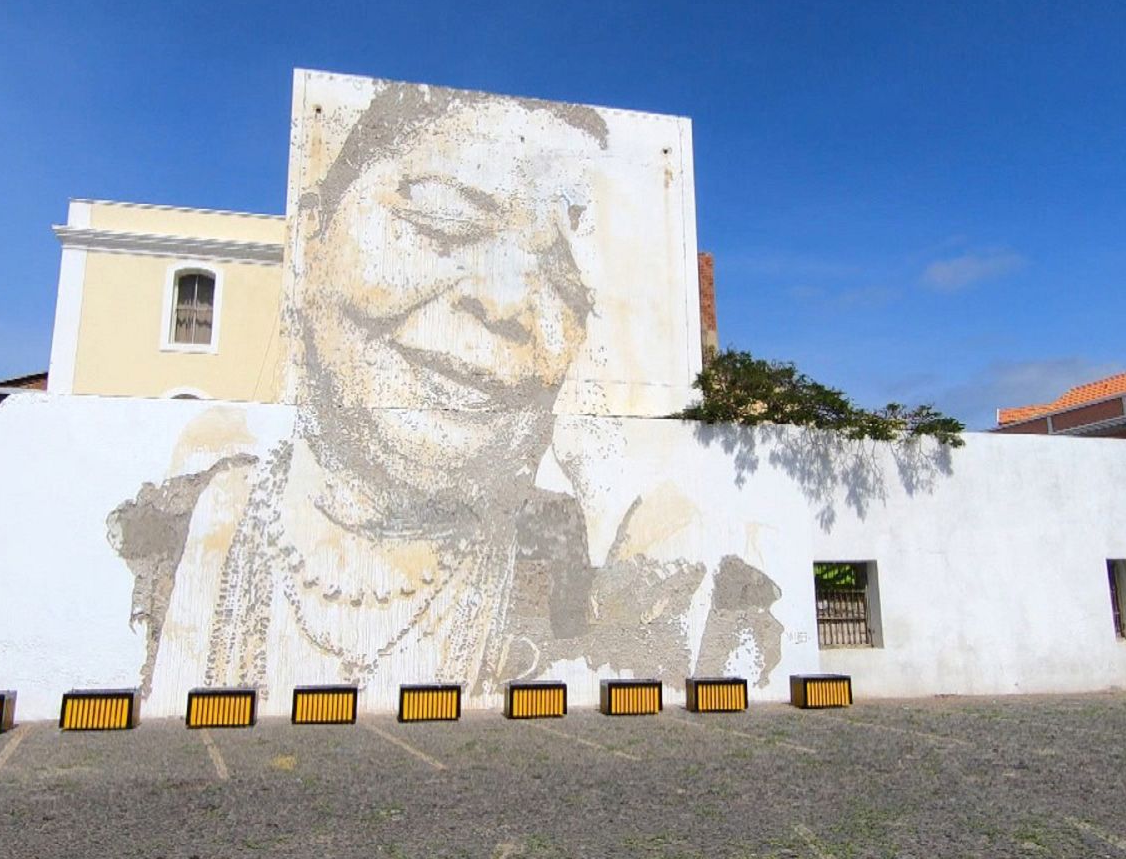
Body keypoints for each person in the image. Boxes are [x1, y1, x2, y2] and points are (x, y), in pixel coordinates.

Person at [109, 81, 783, 708]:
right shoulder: (154, 529)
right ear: (311, 246)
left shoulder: (578, 558)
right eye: (443, 223)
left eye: (565, 282)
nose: (508, 301)